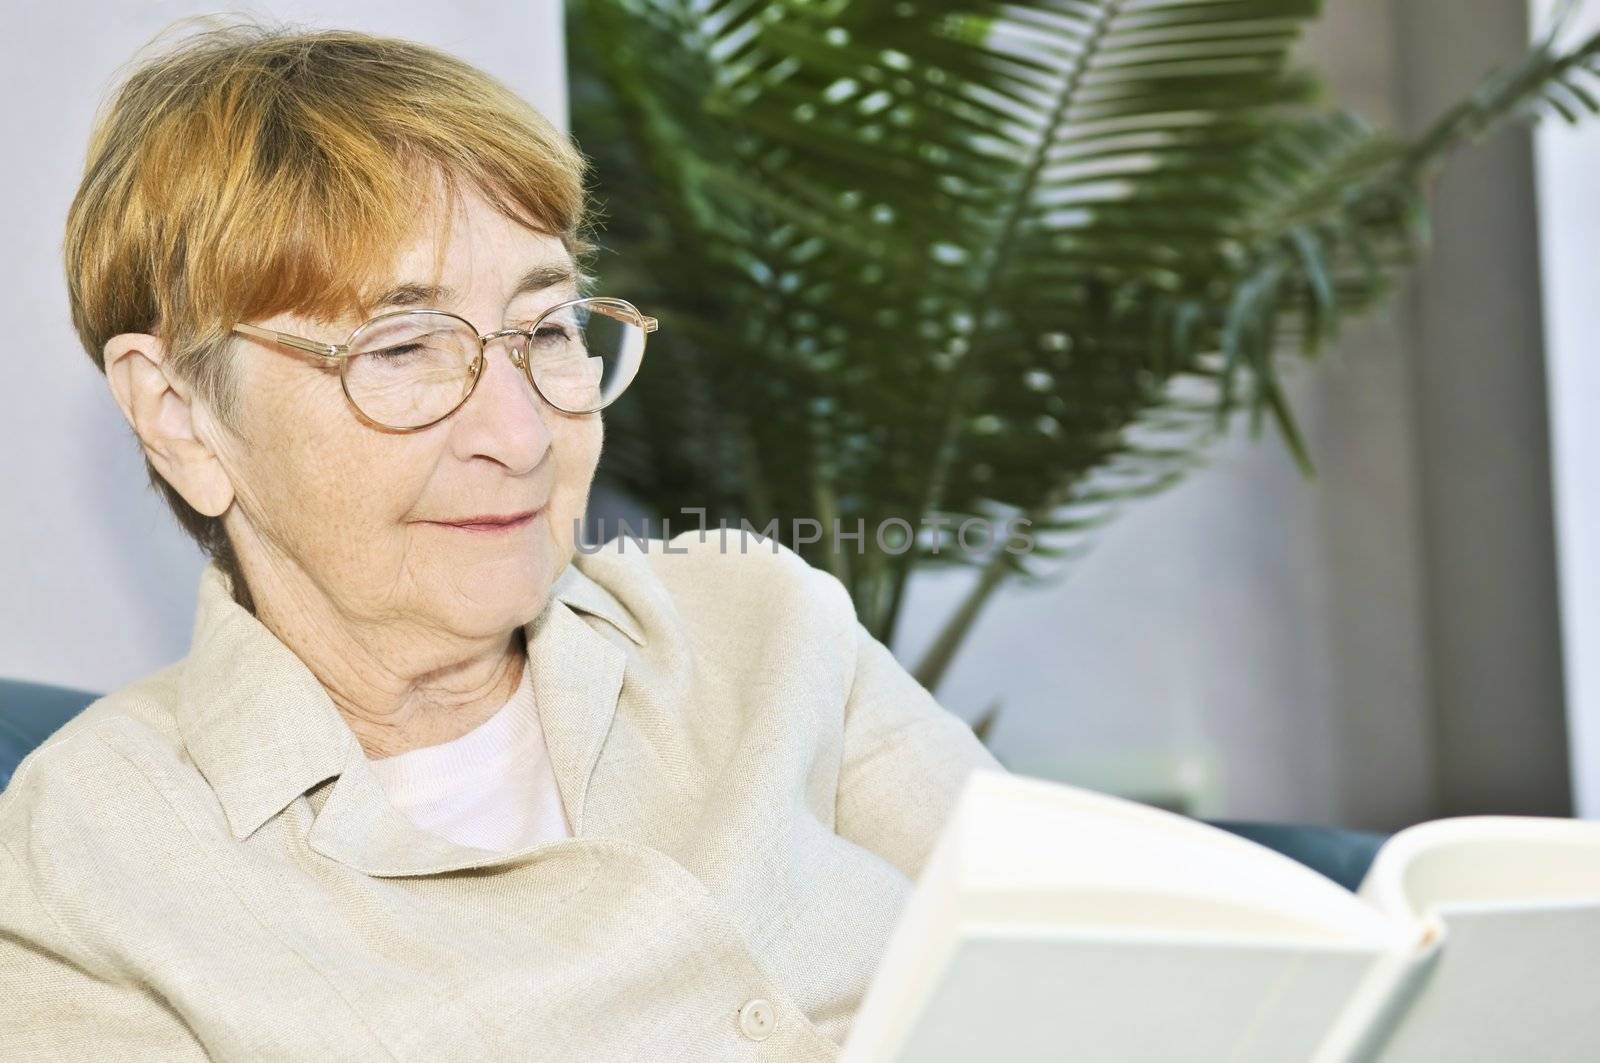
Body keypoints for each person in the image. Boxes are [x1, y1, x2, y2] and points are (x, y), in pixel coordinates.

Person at [0, 19, 1003, 1061]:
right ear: (180, 415)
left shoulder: (762, 622)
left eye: (550, 328)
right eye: (402, 347)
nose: (521, 435)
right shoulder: (86, 859)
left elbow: (1105, 947)